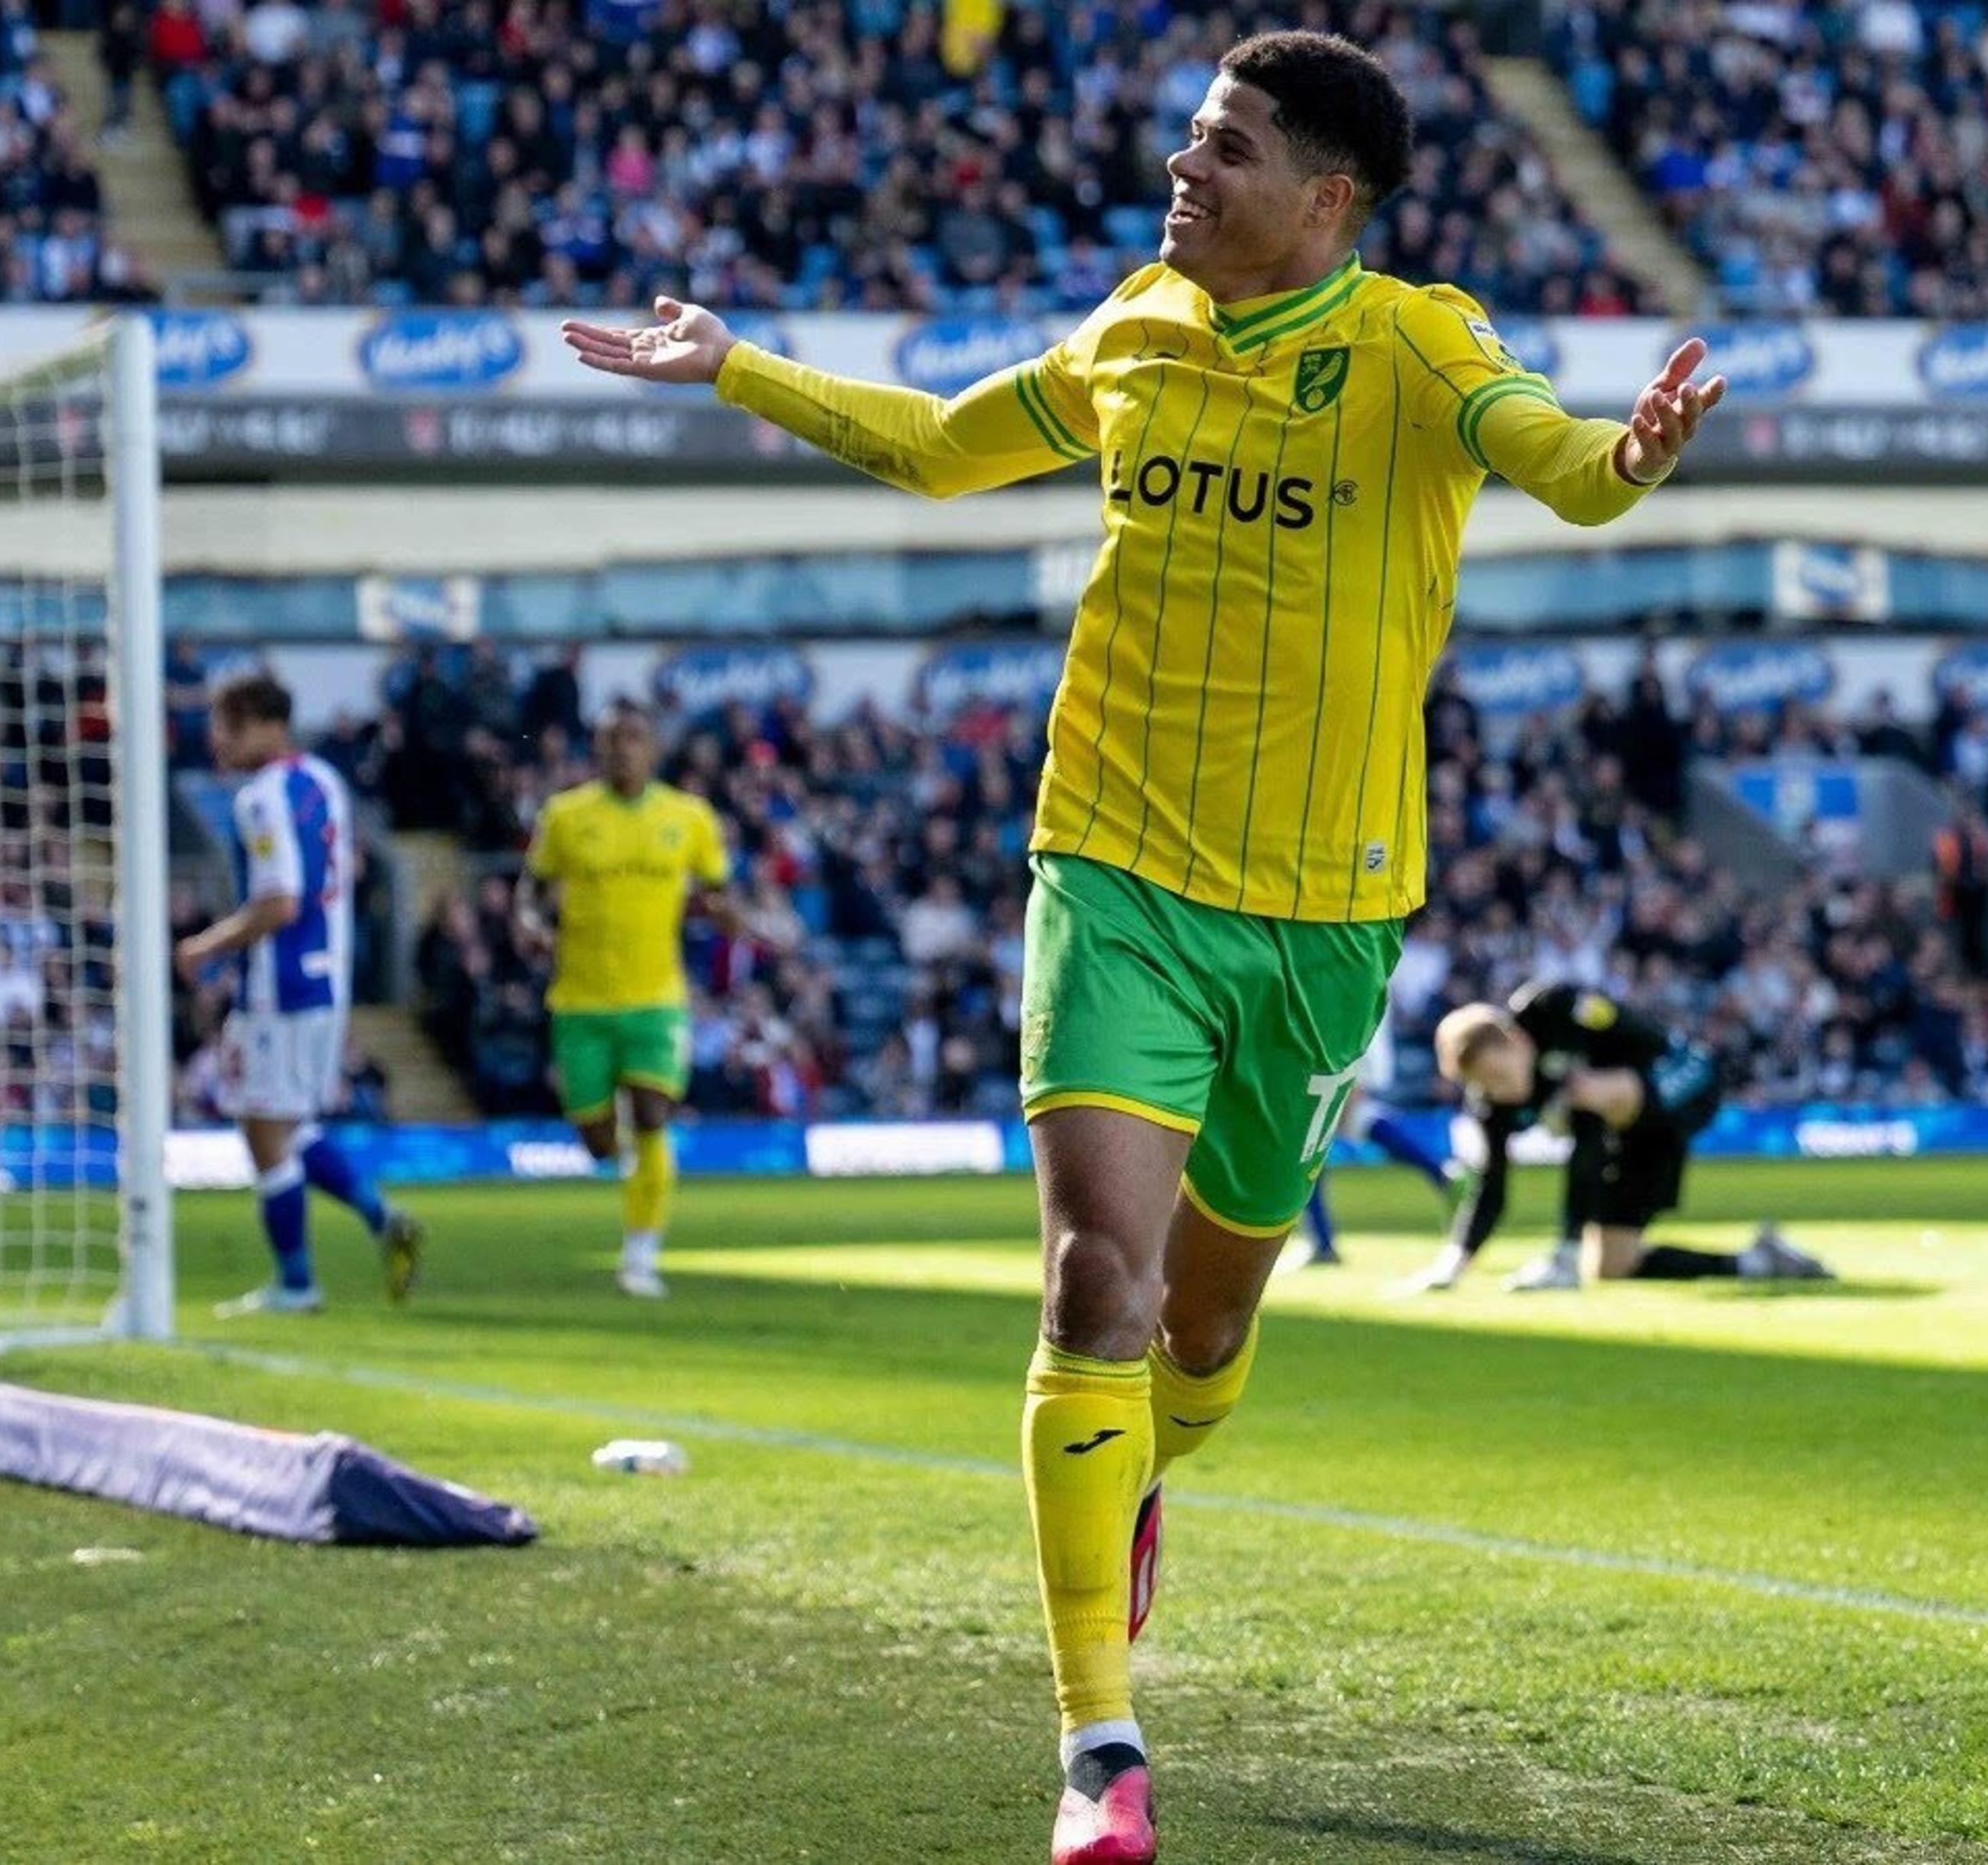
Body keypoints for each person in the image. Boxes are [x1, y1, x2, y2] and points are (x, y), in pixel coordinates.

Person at [565, 31, 1726, 1863]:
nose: (1184, 172)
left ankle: (1139, 1480)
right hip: (1110, 869)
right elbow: (946, 450)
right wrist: (736, 368)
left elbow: (1556, 462)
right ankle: (1098, 1745)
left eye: (1228, 149)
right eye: (1190, 139)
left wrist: (1630, 458)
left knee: (1203, 1330)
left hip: (1329, 923)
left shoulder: (1417, 346)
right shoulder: (1132, 328)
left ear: (1327, 199)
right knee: (1094, 1285)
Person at [176, 671, 423, 1314]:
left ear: (263, 722)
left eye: (225, 725)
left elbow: (280, 902)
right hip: (326, 980)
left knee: (263, 1131)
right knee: (291, 1123)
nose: (217, 740)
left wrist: (208, 946)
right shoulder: (324, 781)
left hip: (280, 987)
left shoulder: (261, 797)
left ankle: (296, 1282)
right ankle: (381, 1216)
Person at [1418, 982, 1829, 1293]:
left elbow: (1643, 1037)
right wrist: (1455, 1262)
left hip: (1684, 1079)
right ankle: (1759, 1261)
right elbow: (1493, 1182)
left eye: (1498, 1075)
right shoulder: (1492, 1099)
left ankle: (1564, 1256)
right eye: (1483, 1084)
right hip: (1634, 1130)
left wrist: (1567, 1244)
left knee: (1585, 1092)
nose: (1497, 1091)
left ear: (1519, 1042)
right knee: (1612, 1264)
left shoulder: (1557, 1007)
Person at [521, 703, 730, 1297]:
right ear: (597, 750)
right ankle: (614, 1145)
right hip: (580, 1002)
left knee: (652, 1113)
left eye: (633, 739)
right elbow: (530, 889)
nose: (622, 750)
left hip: (658, 999)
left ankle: (641, 1254)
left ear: (654, 749)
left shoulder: (688, 818)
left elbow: (718, 889)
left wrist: (730, 916)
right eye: (610, 740)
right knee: (597, 1142)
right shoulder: (565, 816)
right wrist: (530, 921)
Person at [1284, 1029, 1459, 1269]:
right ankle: (1443, 1175)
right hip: (1336, 1061)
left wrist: (1355, 1083)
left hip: (1340, 1059)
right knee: (1321, 1148)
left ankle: (1321, 1243)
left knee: (1311, 1151)